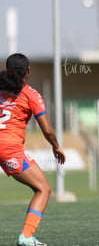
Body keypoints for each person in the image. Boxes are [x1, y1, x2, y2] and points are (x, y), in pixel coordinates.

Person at [0, 53, 66, 246]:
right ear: (28, 71)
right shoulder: (30, 94)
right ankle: (26, 236)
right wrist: (56, 146)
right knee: (43, 189)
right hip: (8, 148)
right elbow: (47, 129)